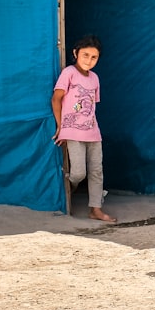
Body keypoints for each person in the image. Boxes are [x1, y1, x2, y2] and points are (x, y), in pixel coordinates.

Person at [51, 34, 116, 223]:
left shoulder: (95, 78)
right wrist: (60, 126)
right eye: (85, 55)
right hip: (72, 131)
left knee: (96, 171)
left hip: (93, 131)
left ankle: (95, 209)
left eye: (94, 57)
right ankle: (69, 190)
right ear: (75, 53)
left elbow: (90, 106)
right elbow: (56, 99)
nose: (89, 60)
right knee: (79, 172)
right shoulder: (69, 73)